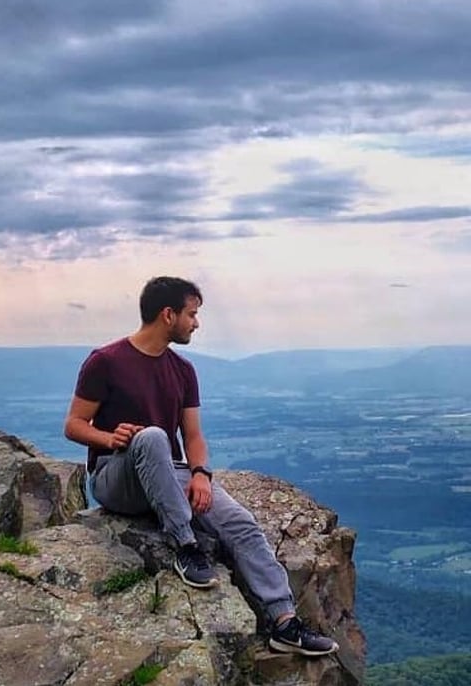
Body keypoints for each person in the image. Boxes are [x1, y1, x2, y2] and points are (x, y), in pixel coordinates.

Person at [63, 276, 338, 657]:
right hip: (116, 477)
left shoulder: (183, 370)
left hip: (169, 473)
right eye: (192, 314)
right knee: (153, 437)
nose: (197, 323)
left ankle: (284, 622)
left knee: (239, 521)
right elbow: (74, 425)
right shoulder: (106, 362)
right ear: (168, 314)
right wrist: (110, 439)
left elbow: (192, 436)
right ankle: (185, 545)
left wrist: (200, 475)